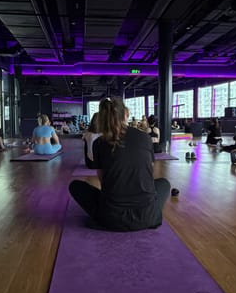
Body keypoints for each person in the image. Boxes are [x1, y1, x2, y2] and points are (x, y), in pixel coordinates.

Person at [68, 96, 171, 231]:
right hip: (147, 216)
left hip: (111, 218)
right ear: (126, 114)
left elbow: (103, 180)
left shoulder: (99, 142)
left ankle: (108, 211)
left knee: (75, 186)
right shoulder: (145, 138)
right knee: (164, 183)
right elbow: (148, 172)